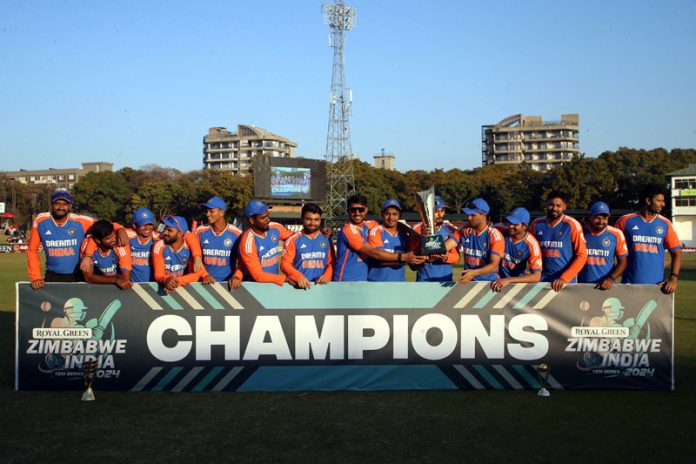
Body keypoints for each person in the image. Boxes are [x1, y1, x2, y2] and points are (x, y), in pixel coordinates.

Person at [27, 190, 127, 289]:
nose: (61, 207)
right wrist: (36, 276)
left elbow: (103, 227)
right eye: (57, 203)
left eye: (65, 204)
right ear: (52, 204)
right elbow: (32, 250)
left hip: (78, 274)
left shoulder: (81, 221)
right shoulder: (41, 220)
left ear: (70, 206)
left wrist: (120, 228)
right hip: (53, 275)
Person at [333, 194, 425, 282]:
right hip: (345, 279)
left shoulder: (368, 225)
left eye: (361, 209)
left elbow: (393, 223)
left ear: (366, 210)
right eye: (353, 210)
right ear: (348, 211)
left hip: (362, 280)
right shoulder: (349, 229)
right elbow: (374, 253)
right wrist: (403, 257)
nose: (357, 213)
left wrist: (411, 232)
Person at [615, 184, 681, 294]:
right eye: (659, 201)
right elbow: (612, 251)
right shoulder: (625, 221)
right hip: (628, 286)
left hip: (657, 287)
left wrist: (673, 278)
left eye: (663, 201)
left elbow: (677, 253)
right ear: (648, 201)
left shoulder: (665, 224)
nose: (663, 204)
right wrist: (612, 277)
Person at [530, 191, 587, 292]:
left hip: (565, 282)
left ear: (564, 206)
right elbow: (529, 250)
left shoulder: (572, 224)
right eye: (551, 205)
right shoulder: (536, 224)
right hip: (541, 281)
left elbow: (582, 255)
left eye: (558, 205)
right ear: (546, 205)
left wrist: (564, 278)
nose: (554, 208)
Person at [237, 200, 294, 286]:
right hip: (256, 288)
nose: (268, 220)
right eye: (263, 218)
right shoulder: (247, 242)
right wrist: (286, 279)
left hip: (274, 285)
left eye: (268, 216)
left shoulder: (275, 227)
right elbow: (258, 276)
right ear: (252, 220)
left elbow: (296, 239)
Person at [281, 203, 334, 288]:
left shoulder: (326, 239)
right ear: (302, 219)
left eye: (316, 219)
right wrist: (298, 277)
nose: (312, 223)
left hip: (321, 287)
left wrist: (327, 276)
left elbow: (332, 262)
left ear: (320, 220)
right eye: (308, 219)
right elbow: (285, 264)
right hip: (299, 288)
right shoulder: (293, 239)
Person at [578, 202, 628, 289]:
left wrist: (610, 279)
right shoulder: (580, 232)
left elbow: (623, 262)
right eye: (597, 218)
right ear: (590, 217)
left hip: (606, 286)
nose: (601, 221)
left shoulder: (616, 234)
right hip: (582, 286)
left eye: (604, 218)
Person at [490, 207, 542, 292]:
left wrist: (509, 280)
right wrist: (468, 227)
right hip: (494, 282)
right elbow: (482, 228)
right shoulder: (499, 229)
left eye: (515, 224)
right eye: (509, 222)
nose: (510, 226)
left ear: (524, 226)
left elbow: (536, 276)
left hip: (515, 287)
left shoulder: (532, 244)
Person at [195, 196, 242, 287]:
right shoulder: (200, 231)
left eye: (211, 211)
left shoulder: (237, 234)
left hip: (227, 284)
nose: (207, 214)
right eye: (207, 211)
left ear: (221, 212)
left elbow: (242, 262)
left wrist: (237, 276)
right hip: (204, 283)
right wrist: (204, 275)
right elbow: (195, 259)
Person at [412, 195, 460, 282]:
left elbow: (456, 258)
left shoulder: (451, 230)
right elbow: (411, 256)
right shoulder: (417, 228)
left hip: (445, 281)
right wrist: (425, 257)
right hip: (424, 280)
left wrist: (446, 257)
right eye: (436, 211)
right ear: (428, 212)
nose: (440, 214)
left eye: (442, 211)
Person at [152, 215, 204, 293]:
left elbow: (197, 274)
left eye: (169, 230)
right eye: (165, 229)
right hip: (161, 290)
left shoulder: (189, 248)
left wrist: (176, 282)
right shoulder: (159, 246)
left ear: (180, 234)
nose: (165, 232)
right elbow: (158, 274)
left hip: (186, 291)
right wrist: (166, 279)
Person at [367, 199, 411, 282]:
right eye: (387, 214)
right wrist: (404, 259)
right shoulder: (375, 231)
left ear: (399, 216)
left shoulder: (404, 235)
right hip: (376, 283)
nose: (391, 218)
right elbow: (378, 259)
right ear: (382, 215)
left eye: (395, 214)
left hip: (399, 284)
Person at [81, 220, 133, 290]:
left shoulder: (120, 244)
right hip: (95, 289)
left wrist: (120, 229)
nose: (113, 240)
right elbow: (89, 277)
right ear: (98, 240)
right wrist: (115, 279)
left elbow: (125, 279)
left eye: (114, 235)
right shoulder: (87, 245)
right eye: (108, 238)